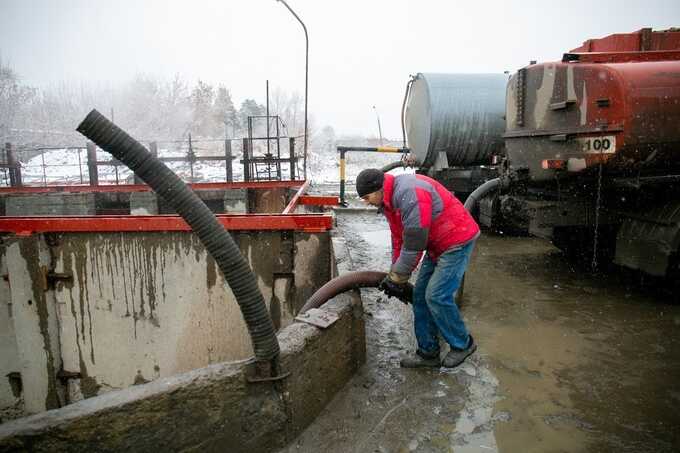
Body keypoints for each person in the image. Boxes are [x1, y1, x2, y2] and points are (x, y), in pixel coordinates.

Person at [356, 168, 479, 368]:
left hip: (456, 240)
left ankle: (463, 344)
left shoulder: (410, 193)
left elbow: (414, 245)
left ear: (378, 189)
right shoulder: (389, 202)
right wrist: (395, 273)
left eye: (367, 197)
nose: (367, 202)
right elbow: (399, 239)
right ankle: (428, 353)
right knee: (419, 297)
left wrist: (398, 278)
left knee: (436, 295)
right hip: (436, 243)